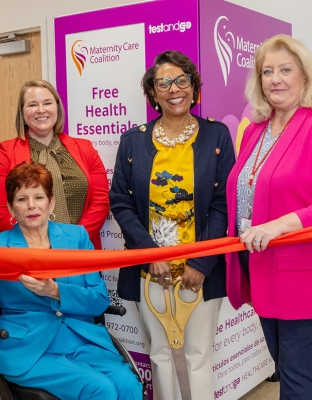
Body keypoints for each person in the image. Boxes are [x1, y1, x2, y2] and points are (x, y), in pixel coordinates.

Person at [224, 35, 312, 400]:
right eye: (267, 71)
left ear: (305, 75)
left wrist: (279, 225)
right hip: (261, 268)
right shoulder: (255, 129)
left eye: (285, 70)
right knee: (285, 371)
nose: (275, 79)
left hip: (307, 277)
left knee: (299, 384)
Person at [0, 162, 142, 400]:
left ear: (51, 202)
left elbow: (98, 302)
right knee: (99, 389)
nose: (31, 205)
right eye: (22, 199)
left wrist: (56, 291)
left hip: (82, 341)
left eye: (39, 197)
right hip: (27, 349)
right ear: (11, 208)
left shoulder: (76, 238)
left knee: (128, 386)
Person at [110, 50, 234, 400]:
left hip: (201, 269)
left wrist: (201, 263)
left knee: (198, 356)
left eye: (182, 80)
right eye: (163, 83)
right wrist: (150, 253)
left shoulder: (217, 136)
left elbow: (225, 204)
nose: (173, 89)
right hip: (152, 269)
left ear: (194, 88)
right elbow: (120, 200)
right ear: (152, 94)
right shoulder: (132, 141)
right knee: (160, 355)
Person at [0, 80, 109, 248]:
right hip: (28, 254)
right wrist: (36, 242)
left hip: (81, 249)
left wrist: (72, 240)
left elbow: (100, 202)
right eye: (32, 105)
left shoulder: (86, 149)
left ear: (57, 107)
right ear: (22, 113)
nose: (41, 110)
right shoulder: (5, 153)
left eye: (47, 103)